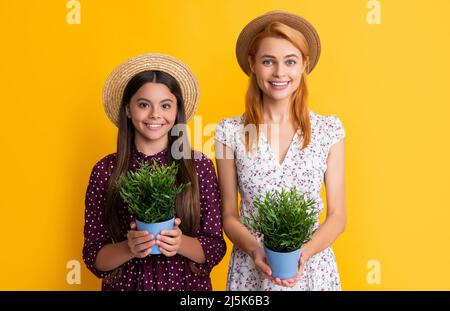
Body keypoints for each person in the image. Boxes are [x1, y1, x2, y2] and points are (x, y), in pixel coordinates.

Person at [215, 11, 346, 290]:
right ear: (253, 64)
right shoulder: (229, 133)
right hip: (251, 272)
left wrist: (303, 255)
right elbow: (228, 215)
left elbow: (337, 217)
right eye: (268, 61)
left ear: (304, 66)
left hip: (312, 272)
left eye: (290, 61)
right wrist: (254, 249)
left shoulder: (328, 131)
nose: (279, 73)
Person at [83, 53, 226, 290]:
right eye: (143, 104)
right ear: (128, 110)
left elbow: (214, 247)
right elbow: (94, 255)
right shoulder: (105, 170)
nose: (155, 115)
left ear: (176, 111)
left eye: (165, 105)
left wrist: (180, 243)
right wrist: (129, 247)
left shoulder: (199, 166)